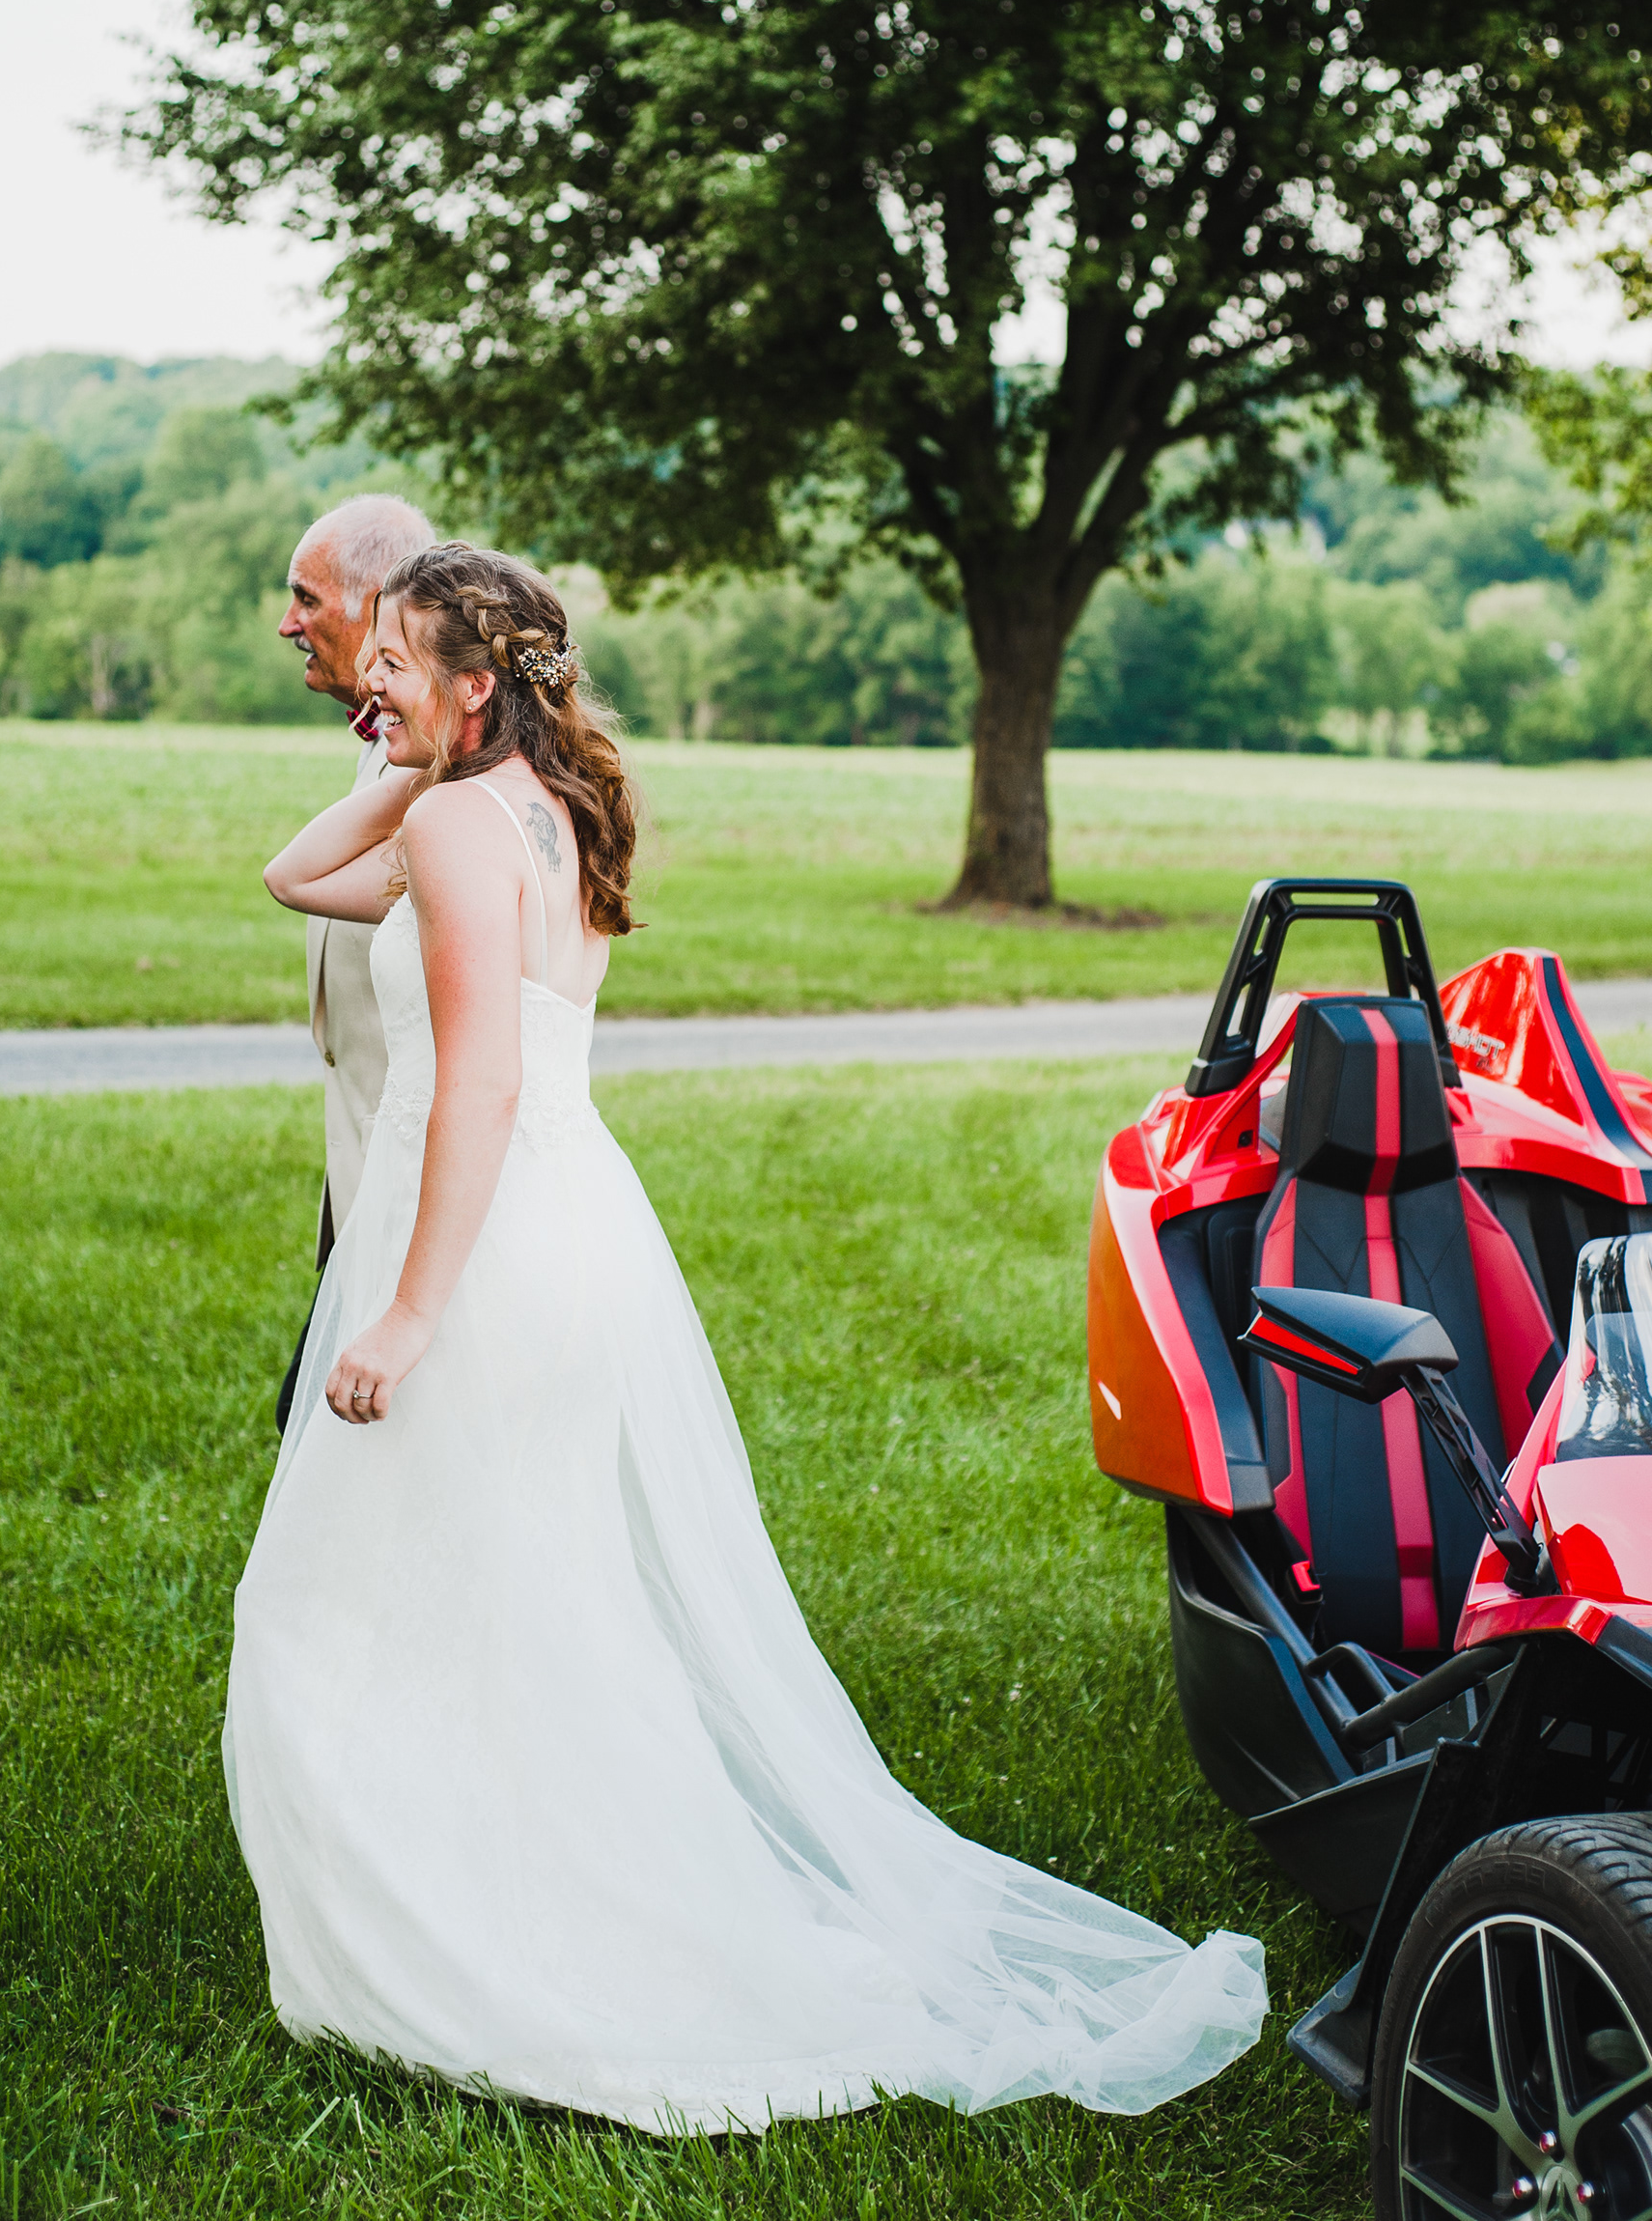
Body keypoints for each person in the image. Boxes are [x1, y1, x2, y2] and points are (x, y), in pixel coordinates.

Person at [226, 541, 1267, 2132]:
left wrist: (411, 1309)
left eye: (397, 667)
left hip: (479, 1244)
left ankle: (467, 1948)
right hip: (571, 1229)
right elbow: (296, 872)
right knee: (525, 1595)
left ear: (481, 681)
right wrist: (406, 751)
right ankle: (536, 1893)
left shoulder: (452, 825)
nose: (369, 687)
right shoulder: (542, 808)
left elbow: (480, 1084)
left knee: (325, 1608)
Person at [272, 492, 434, 1432]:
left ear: (379, 608)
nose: (287, 623)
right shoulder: (392, 746)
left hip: (416, 1190)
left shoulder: (446, 777)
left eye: (306, 598)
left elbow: (294, 879)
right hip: (361, 1174)